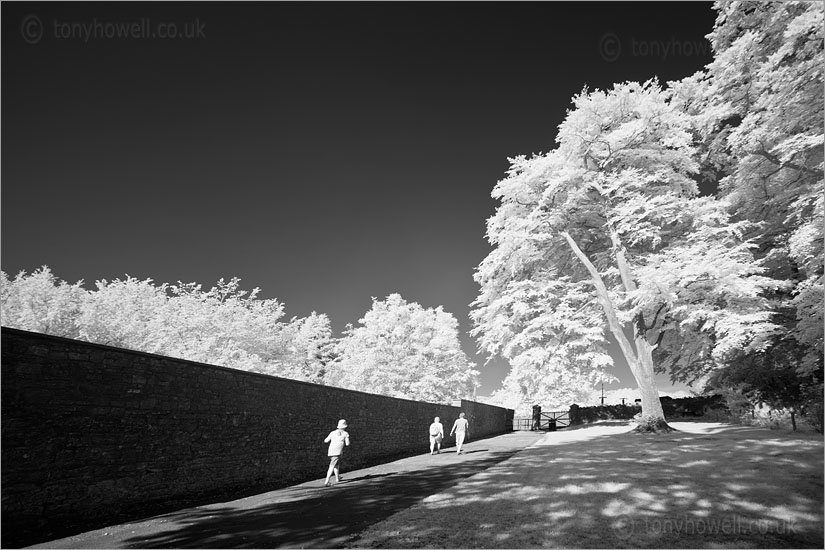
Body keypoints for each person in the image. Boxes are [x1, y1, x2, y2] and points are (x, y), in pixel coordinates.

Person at [323, 419, 350, 486]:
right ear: (344, 426)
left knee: (336, 465)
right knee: (332, 466)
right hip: (337, 452)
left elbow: (326, 441)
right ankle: (327, 481)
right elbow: (347, 444)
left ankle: (337, 478)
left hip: (331, 451)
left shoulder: (332, 432)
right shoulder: (345, 433)